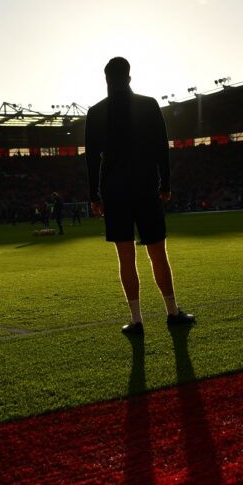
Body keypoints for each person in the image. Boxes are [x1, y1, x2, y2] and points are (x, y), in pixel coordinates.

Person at [85, 56, 195, 335]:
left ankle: (136, 320)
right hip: (146, 187)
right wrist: (166, 184)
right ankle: (172, 312)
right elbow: (162, 147)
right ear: (130, 78)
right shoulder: (148, 105)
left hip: (114, 191)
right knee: (158, 253)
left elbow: (91, 159)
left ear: (106, 79)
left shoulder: (97, 112)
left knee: (125, 257)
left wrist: (94, 195)